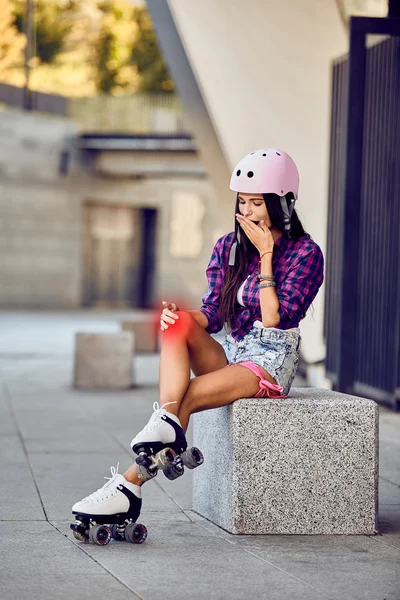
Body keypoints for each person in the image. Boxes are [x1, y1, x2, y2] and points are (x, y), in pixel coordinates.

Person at [71, 148, 324, 535]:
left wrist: (267, 255)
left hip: (269, 363)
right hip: (233, 354)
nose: (248, 211)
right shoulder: (228, 247)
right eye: (243, 201)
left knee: (185, 399)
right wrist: (184, 318)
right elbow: (213, 313)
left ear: (283, 205)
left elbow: (275, 317)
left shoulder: (305, 254)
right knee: (174, 324)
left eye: (258, 203)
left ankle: (128, 486)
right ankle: (165, 425)